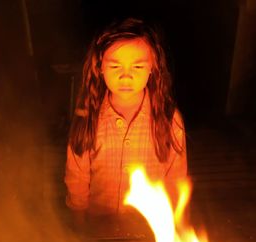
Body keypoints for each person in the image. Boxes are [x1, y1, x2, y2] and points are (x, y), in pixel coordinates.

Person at [65, 18, 187, 219]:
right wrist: (79, 225)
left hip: (150, 229)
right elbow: (77, 176)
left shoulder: (167, 118)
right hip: (99, 225)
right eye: (115, 67)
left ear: (152, 67)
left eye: (137, 67)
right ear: (100, 67)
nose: (126, 76)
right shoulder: (88, 116)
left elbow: (176, 178)